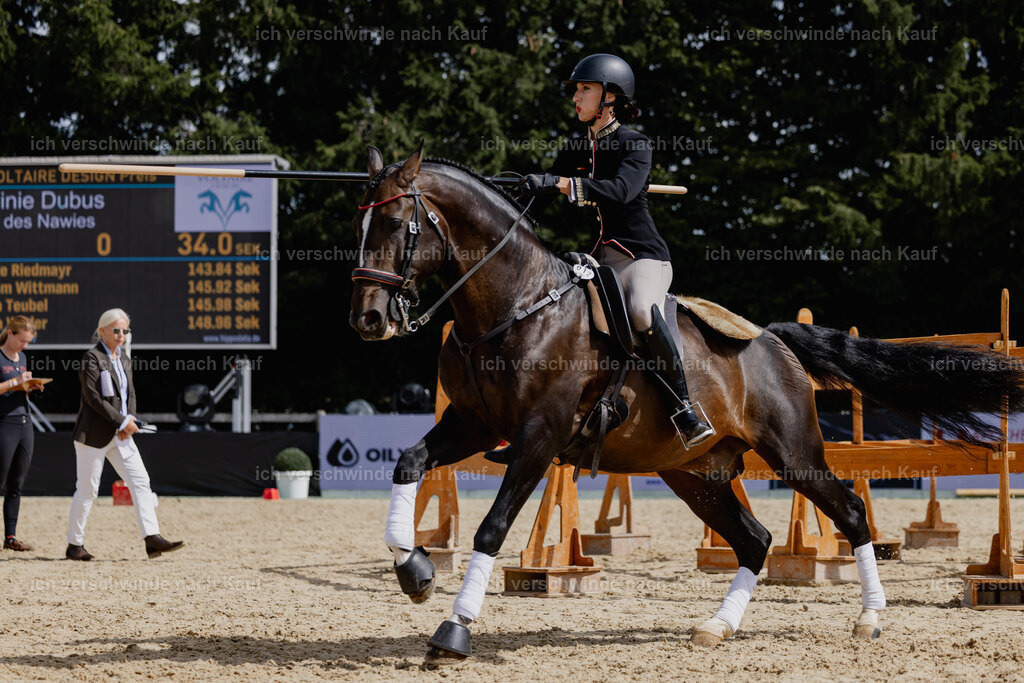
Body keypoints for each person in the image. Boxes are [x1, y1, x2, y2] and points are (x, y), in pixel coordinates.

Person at [522, 53, 714, 448]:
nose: (576, 96)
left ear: (610, 97)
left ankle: (685, 408)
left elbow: (623, 191)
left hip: (643, 256)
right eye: (577, 89)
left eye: (584, 89)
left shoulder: (635, 144)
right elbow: (543, 193)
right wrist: (520, 196)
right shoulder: (578, 148)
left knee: (643, 311)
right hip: (601, 256)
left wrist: (561, 184)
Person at [66, 309, 183, 561]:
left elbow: (131, 394)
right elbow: (93, 398)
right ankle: (75, 544)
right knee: (87, 490)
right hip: (94, 435)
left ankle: (152, 538)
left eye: (125, 331)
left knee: (141, 481)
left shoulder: (124, 358)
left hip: (121, 435)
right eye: (116, 330)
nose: (121, 335)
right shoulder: (91, 358)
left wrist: (129, 419)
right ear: (102, 331)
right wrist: (121, 422)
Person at [0, 316, 43, 551]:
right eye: (22, 341)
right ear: (10, 333)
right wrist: (16, 381)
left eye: (28, 342)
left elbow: (17, 389)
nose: (24, 346)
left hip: (25, 423)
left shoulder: (22, 358)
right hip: (4, 422)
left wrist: (30, 385)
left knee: (17, 483)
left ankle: (11, 536)